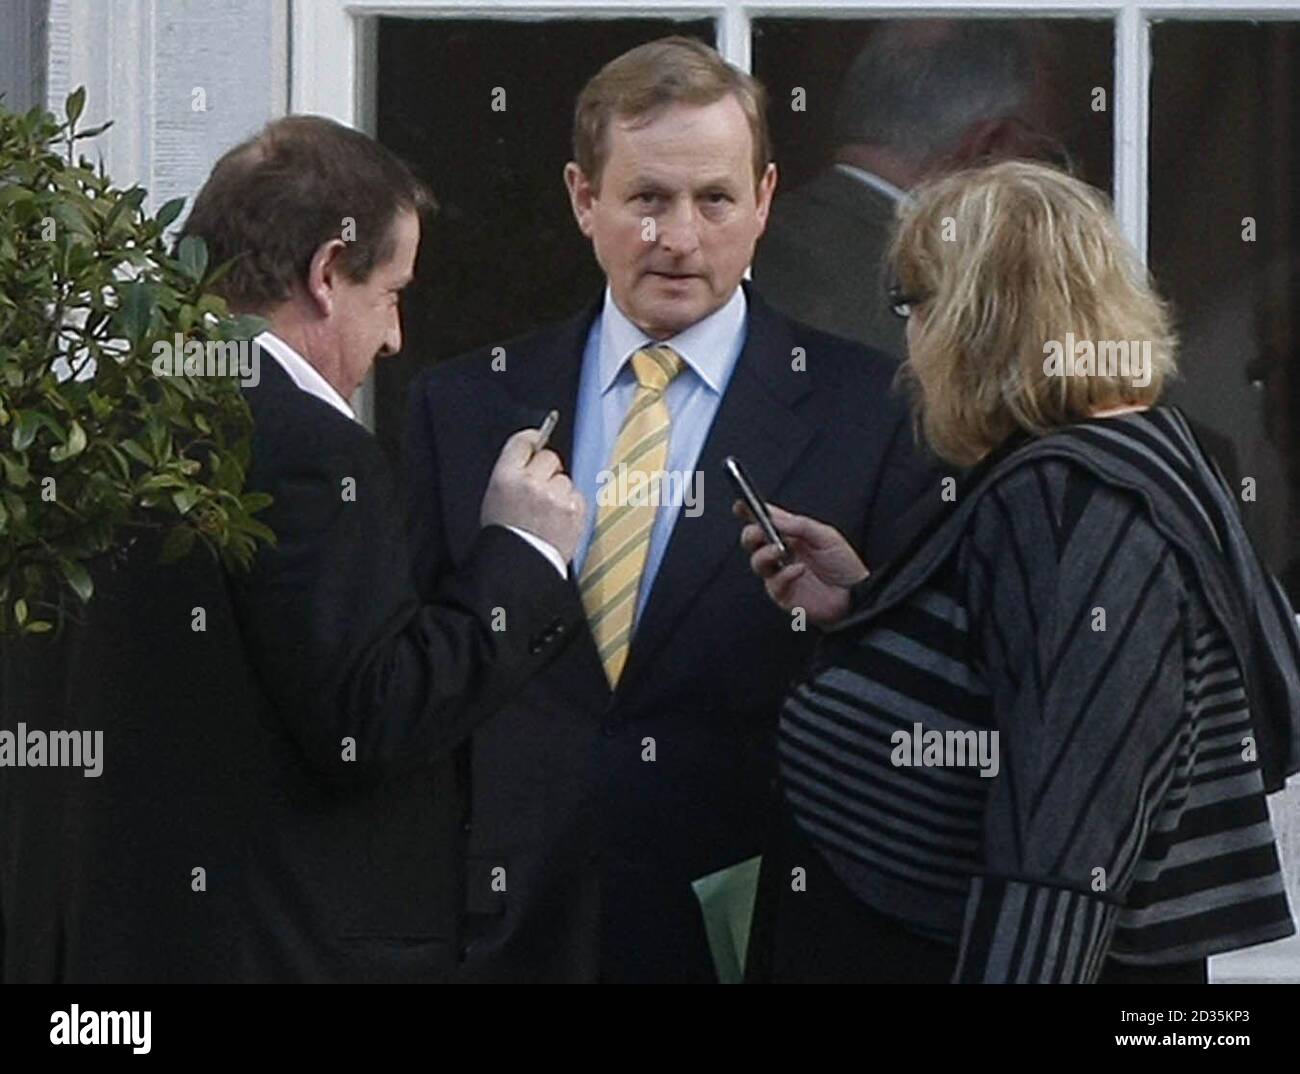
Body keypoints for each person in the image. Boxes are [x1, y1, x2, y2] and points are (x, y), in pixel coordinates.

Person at [0, 116, 587, 982]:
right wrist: (522, 554)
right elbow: (368, 719)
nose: (394, 338)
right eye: (391, 293)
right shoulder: (306, 446)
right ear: (325, 274)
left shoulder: (81, 436)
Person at [403, 36, 936, 982]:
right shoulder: (465, 406)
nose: (679, 237)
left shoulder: (875, 411)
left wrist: (860, 608)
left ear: (765, 200)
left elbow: (926, 696)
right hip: (508, 935)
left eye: (715, 199)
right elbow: (417, 687)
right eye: (647, 198)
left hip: (760, 934)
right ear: (583, 198)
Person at [740, 160, 1300, 983]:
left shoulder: (1076, 498)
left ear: (979, 320)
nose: (908, 336)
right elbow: (1009, 682)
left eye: (915, 303)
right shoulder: (1113, 465)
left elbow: (1069, 833)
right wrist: (869, 602)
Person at [752, 19, 1067, 360]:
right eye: (1046, 155)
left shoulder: (758, 243)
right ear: (989, 145)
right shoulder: (938, 290)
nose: (1048, 177)